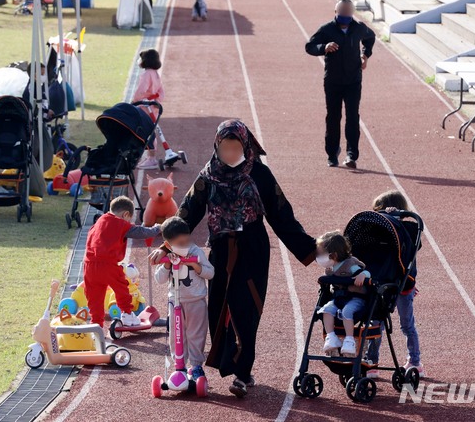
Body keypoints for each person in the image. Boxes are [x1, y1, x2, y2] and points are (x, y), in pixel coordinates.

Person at [150, 120, 316, 398]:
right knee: (217, 311)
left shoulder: (259, 174)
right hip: (220, 250)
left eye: (235, 147)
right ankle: (233, 365)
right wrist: (167, 246)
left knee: (245, 308)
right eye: (224, 147)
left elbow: (281, 214)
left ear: (245, 145)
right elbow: (188, 213)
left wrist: (311, 249)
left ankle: (241, 373)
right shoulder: (208, 174)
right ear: (216, 146)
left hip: (252, 250)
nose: (229, 153)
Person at [306, 0, 376, 169]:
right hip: (333, 81)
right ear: (335, 12)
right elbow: (310, 46)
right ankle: (332, 154)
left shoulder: (359, 28)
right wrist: (324, 47)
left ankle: (351, 154)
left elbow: (370, 37)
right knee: (333, 117)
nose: (345, 18)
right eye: (341, 15)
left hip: (353, 80)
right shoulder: (326, 29)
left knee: (352, 117)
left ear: (352, 14)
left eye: (348, 15)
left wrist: (365, 55)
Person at [364, 190, 424, 378]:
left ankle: (415, 361)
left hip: (402, 285)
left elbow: (415, 244)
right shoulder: (377, 231)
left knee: (407, 325)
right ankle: (371, 360)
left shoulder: (407, 229)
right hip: (381, 283)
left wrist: (398, 219)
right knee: (376, 323)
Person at [84, 196, 162, 328]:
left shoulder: (98, 223)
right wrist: (157, 228)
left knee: (94, 297)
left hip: (89, 265)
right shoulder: (119, 223)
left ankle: (96, 324)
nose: (128, 223)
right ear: (126, 214)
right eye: (129, 219)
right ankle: (127, 314)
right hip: (108, 264)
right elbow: (140, 232)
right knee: (122, 288)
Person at [154, 217, 215, 380]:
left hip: (196, 301)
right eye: (180, 244)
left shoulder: (196, 252)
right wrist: (167, 265)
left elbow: (211, 273)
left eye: (187, 241)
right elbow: (159, 279)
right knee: (176, 334)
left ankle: (195, 366)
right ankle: (179, 366)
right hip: (175, 302)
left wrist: (196, 266)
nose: (185, 246)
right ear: (168, 245)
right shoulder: (169, 255)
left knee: (196, 334)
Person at [315, 231, 370, 357]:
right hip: (340, 298)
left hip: (356, 298)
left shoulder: (350, 264)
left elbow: (366, 273)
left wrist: (362, 275)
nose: (318, 256)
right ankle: (331, 336)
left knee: (347, 311)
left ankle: (349, 340)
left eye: (321, 253)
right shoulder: (330, 267)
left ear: (333, 255)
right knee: (326, 310)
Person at [133, 49, 165, 170]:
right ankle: (150, 156)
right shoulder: (156, 73)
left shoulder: (147, 74)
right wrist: (157, 101)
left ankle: (151, 158)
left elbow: (141, 90)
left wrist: (135, 101)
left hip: (146, 106)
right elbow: (161, 91)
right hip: (153, 106)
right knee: (151, 129)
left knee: (146, 130)